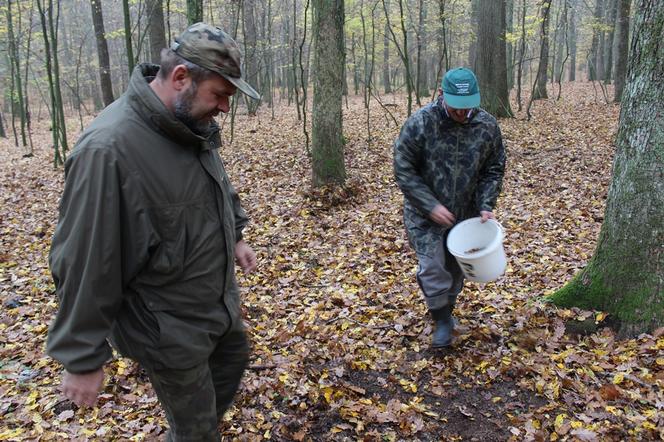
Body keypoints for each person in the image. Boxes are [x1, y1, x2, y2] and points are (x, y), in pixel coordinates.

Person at [46, 23, 261, 441]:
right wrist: (82, 357)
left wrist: (234, 232)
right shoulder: (109, 151)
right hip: (165, 323)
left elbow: (213, 181)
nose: (223, 108)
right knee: (197, 430)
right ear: (181, 77)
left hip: (212, 301)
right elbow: (86, 259)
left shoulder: (186, 125)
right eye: (219, 95)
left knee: (234, 359)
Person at [393, 67, 506, 348]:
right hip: (424, 213)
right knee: (432, 267)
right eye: (456, 108)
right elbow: (403, 168)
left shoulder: (487, 126)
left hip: (465, 214)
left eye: (468, 108)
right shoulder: (420, 123)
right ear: (441, 95)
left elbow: (494, 168)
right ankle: (442, 320)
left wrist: (485, 204)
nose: (462, 113)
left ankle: (447, 306)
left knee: (457, 268)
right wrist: (430, 205)